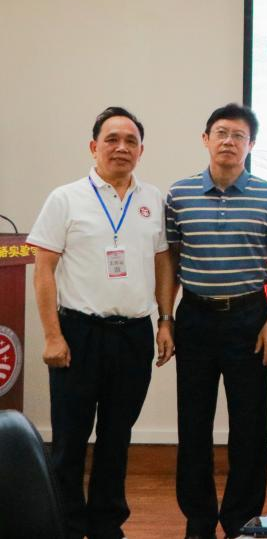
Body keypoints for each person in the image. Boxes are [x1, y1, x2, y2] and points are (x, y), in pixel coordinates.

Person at [27, 106, 175, 539]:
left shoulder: (152, 200)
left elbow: (163, 264)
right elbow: (43, 271)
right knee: (70, 439)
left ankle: (108, 524)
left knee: (117, 437)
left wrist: (165, 320)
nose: (121, 147)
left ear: (141, 151)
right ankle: (68, 526)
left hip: (133, 335)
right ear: (94, 147)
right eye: (112, 139)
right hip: (78, 334)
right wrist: (52, 335)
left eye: (131, 141)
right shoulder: (65, 198)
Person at [165, 103, 267, 539]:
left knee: (249, 425)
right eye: (221, 133)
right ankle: (199, 520)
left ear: (251, 145)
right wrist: (166, 317)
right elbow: (171, 260)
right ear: (205, 139)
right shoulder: (179, 194)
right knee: (193, 424)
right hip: (195, 318)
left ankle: (241, 519)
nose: (229, 141)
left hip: (249, 318)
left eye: (239, 135)